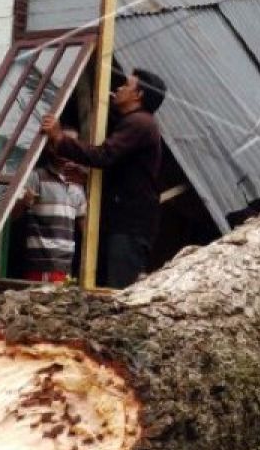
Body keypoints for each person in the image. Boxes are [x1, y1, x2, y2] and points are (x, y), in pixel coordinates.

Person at [41, 69, 165, 289]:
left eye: (126, 85)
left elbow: (104, 155)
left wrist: (60, 139)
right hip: (126, 222)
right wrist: (87, 178)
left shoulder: (139, 123)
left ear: (138, 95)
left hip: (129, 225)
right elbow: (123, 172)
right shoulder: (139, 123)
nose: (118, 88)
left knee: (120, 289)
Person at [12, 131, 87, 284]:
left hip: (66, 266)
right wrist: (24, 202)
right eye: (60, 143)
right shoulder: (36, 177)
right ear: (50, 147)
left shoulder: (78, 183)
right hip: (41, 265)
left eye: (70, 145)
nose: (65, 148)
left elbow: (85, 226)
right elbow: (12, 216)